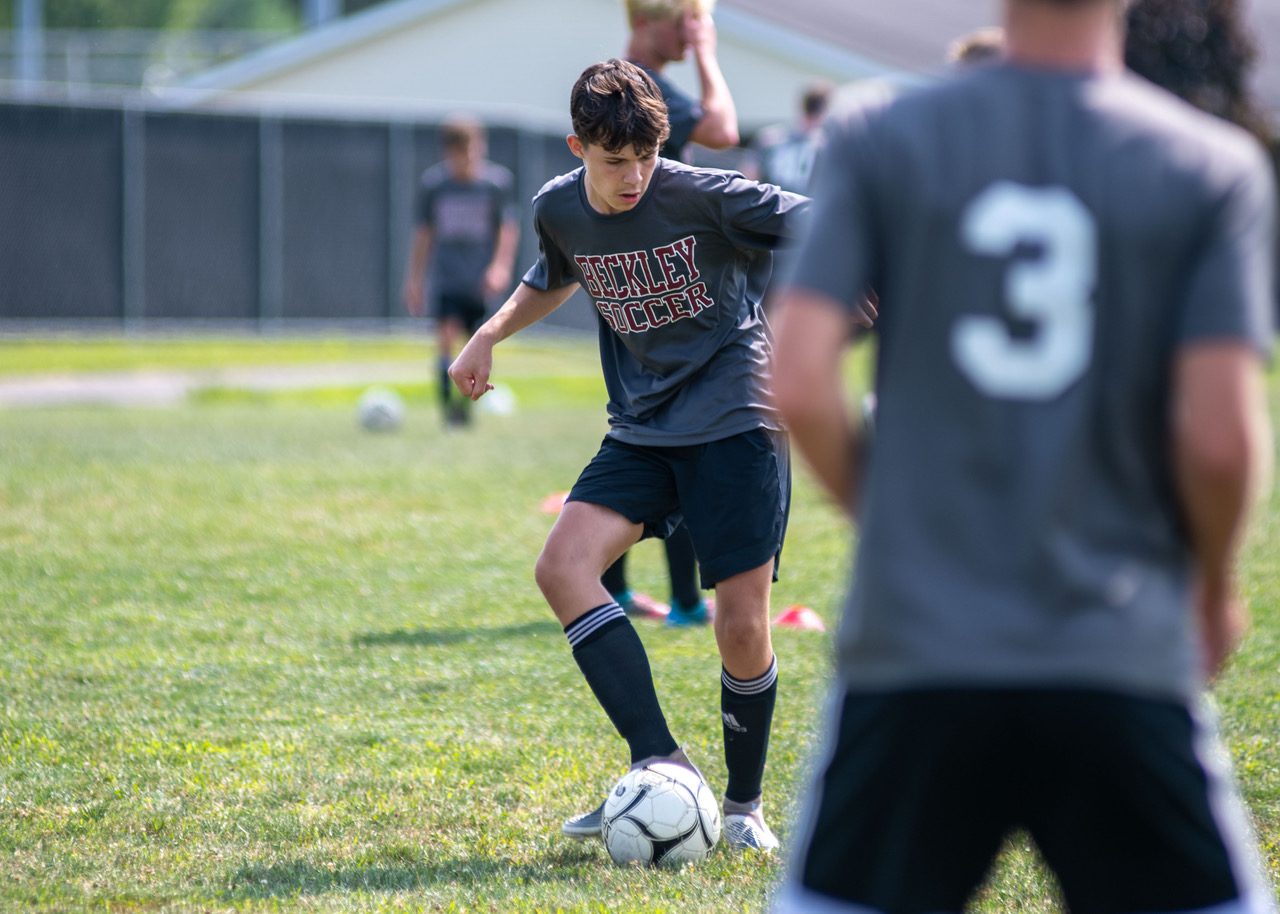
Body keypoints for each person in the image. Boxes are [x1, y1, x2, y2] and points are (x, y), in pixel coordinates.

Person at [770, 0, 1276, 910]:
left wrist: (893, 523)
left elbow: (800, 380)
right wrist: (1212, 587)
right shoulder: (1208, 164)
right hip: (1114, 648)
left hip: (919, 649)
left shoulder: (879, 130)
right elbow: (1219, 439)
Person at [449, 58, 808, 852]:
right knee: (562, 567)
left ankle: (743, 809)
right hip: (643, 427)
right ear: (578, 148)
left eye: (647, 156)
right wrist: (488, 333)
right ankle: (662, 764)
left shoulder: (705, 194)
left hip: (737, 418)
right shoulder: (558, 207)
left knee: (741, 626)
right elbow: (556, 273)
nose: (635, 176)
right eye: (615, 161)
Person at [602, 0, 743, 625]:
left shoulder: (624, 81)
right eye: (683, 21)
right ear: (647, 21)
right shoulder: (643, 86)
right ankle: (682, 601)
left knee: (646, 428)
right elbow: (723, 129)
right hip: (656, 275)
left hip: (641, 270)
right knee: (680, 437)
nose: (690, 32)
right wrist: (708, 51)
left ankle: (622, 589)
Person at [402, 116, 520, 428]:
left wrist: (500, 267)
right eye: (460, 154)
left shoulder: (495, 184)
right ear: (448, 152)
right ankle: (448, 413)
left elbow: (507, 229)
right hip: (448, 279)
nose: (466, 161)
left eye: (472, 152)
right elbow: (424, 234)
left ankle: (466, 407)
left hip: (480, 282)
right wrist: (414, 279)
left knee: (477, 344)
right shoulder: (435, 186)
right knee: (446, 337)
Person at [749, 81, 833, 195]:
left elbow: (749, 180)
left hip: (772, 203)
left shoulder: (769, 138)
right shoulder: (826, 146)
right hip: (806, 204)